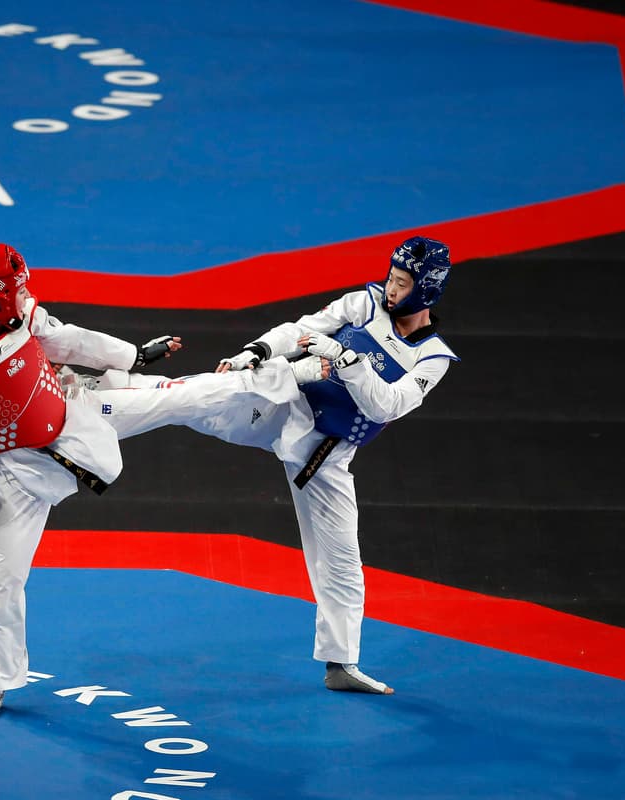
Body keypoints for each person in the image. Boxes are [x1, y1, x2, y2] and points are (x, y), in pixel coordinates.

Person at [0, 243, 322, 720]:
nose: (25, 295)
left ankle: (290, 375)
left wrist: (134, 356)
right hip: (19, 470)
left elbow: (75, 342)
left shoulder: (29, 320)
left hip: (79, 413)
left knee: (178, 398)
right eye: (17, 288)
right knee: (4, 578)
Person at [124, 235, 459, 694]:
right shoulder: (365, 303)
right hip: (284, 402)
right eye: (392, 277)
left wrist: (346, 359)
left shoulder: (433, 358)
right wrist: (257, 351)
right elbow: (300, 329)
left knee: (342, 560)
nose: (391, 288)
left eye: (401, 282)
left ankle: (340, 664)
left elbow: (387, 405)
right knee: (192, 399)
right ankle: (105, 393)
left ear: (427, 289)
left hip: (327, 453)